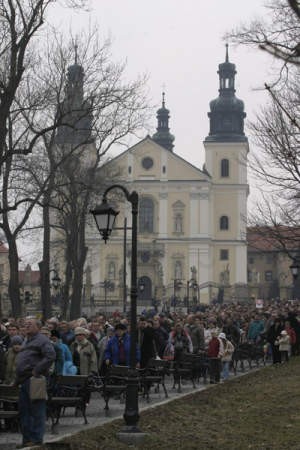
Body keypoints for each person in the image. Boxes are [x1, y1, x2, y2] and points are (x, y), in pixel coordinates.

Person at [15, 318, 56, 448]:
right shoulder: (26, 339)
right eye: (25, 324)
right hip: (23, 380)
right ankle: (27, 439)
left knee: (36, 410)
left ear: (38, 327)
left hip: (34, 380)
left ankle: (36, 439)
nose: (26, 326)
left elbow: (50, 356)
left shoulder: (42, 340)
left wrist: (37, 370)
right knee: (25, 411)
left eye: (29, 324)